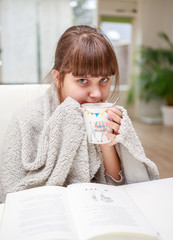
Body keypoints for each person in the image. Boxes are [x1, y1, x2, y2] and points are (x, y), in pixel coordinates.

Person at [0, 25, 159, 203]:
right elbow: (8, 195)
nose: (97, 94)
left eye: (104, 80)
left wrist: (107, 146)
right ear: (58, 78)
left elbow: (120, 189)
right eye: (83, 80)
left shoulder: (111, 120)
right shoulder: (27, 120)